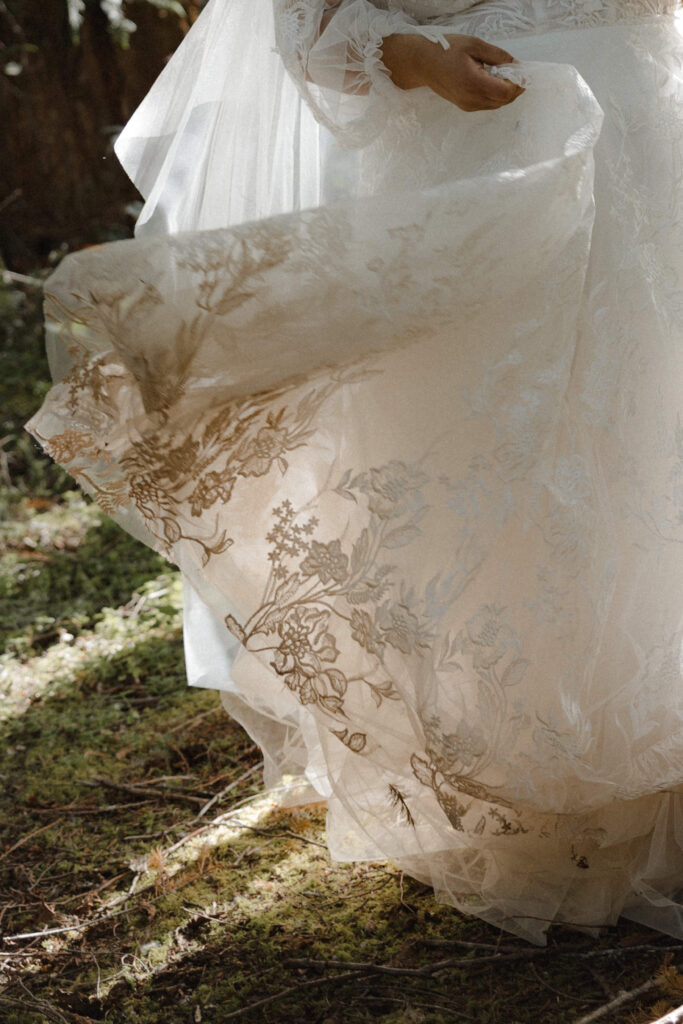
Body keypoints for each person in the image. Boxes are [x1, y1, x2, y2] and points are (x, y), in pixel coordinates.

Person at [27, 0, 683, 943]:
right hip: (487, 130)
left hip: (652, 119)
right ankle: (551, 800)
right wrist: (412, 56)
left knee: (647, 443)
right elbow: (301, 21)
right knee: (508, 472)